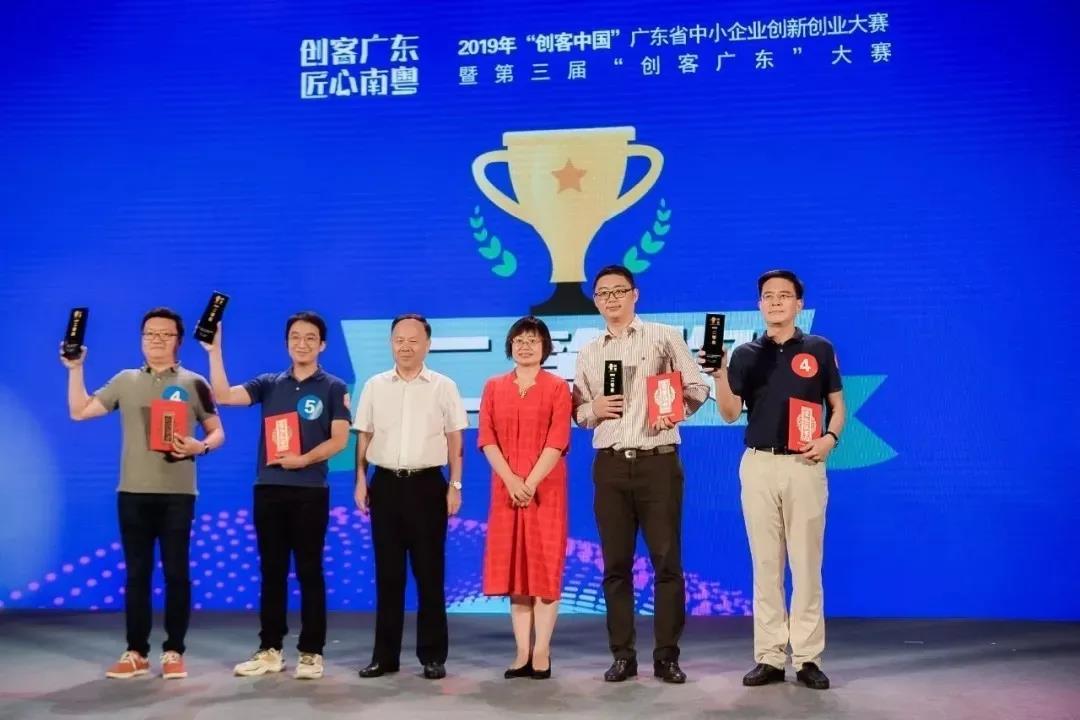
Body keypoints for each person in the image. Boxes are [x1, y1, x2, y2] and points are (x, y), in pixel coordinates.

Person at [62, 307, 224, 680]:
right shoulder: (125, 380)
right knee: (137, 574)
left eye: (165, 334)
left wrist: (201, 446)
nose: (157, 340)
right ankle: (136, 651)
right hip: (133, 492)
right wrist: (75, 369)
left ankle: (174, 651)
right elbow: (79, 411)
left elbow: (217, 431)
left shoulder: (195, 382)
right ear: (141, 339)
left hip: (178, 493)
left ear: (178, 341)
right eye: (150, 333)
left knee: (177, 574)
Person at [703, 269, 845, 690]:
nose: (776, 301)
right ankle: (768, 656)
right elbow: (730, 413)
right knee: (765, 565)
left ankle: (807, 657)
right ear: (759, 304)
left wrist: (830, 438)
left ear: (799, 304)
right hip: (759, 464)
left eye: (784, 295)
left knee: (806, 565)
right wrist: (718, 374)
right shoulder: (746, 353)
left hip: (804, 465)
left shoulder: (819, 348)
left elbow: (837, 405)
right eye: (768, 296)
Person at [571, 265, 709, 684]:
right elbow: (579, 412)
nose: (611, 299)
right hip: (610, 465)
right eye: (603, 293)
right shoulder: (589, 351)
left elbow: (698, 387)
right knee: (615, 565)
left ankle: (666, 656)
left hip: (657, 461)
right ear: (596, 301)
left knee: (667, 562)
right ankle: (622, 655)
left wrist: (675, 412)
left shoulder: (663, 336)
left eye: (619, 291)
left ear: (635, 294)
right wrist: (593, 410)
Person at [202, 312, 350, 680]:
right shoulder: (269, 383)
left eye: (310, 337)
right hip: (268, 488)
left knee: (310, 571)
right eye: (295, 337)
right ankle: (270, 649)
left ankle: (312, 652)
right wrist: (214, 349)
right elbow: (223, 395)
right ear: (287, 343)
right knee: (272, 571)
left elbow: (339, 440)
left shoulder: (333, 387)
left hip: (311, 490)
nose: (302, 343)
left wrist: (304, 459)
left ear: (322, 344)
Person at [352, 314, 467, 680]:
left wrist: (455, 485)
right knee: (388, 575)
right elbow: (365, 435)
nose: (405, 346)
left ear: (427, 345)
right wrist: (360, 480)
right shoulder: (374, 385)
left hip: (427, 486)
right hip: (385, 485)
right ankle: (384, 657)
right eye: (399, 339)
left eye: (413, 340)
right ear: (391, 343)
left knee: (429, 574)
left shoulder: (443, 386)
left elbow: (455, 439)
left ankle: (433, 656)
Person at [478, 316, 571, 680]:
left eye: (533, 340)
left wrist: (529, 483)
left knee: (543, 571)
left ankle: (542, 650)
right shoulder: (494, 386)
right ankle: (521, 653)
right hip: (506, 491)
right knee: (515, 572)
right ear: (510, 346)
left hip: (545, 490)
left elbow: (558, 440)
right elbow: (487, 438)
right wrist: (511, 480)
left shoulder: (557, 388)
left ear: (545, 347)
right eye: (519, 340)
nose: (525, 346)